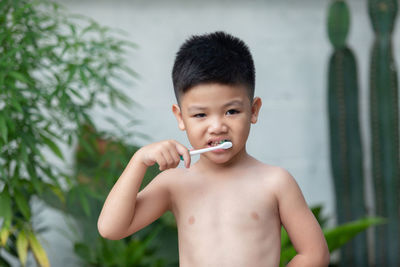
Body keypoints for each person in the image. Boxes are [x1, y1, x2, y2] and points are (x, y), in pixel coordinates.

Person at [97, 31, 329, 267]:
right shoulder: (175, 184)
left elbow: (314, 254)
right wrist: (138, 161)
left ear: (254, 110)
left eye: (231, 111)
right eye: (200, 115)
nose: (217, 126)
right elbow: (111, 228)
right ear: (180, 117)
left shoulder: (275, 182)